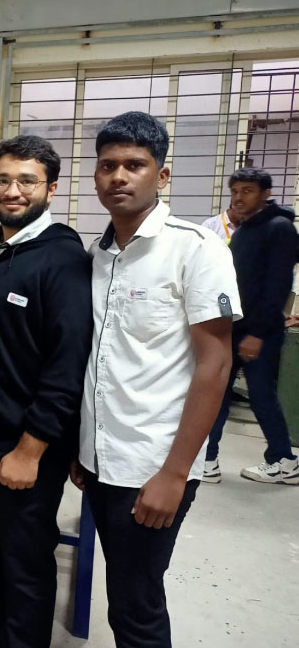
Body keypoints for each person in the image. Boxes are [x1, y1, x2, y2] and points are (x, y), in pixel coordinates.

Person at [71, 111, 240, 647]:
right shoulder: (98, 255)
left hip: (154, 466)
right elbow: (101, 358)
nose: (118, 176)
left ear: (161, 175)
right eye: (107, 166)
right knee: (124, 591)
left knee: (136, 604)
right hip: (100, 462)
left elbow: (215, 366)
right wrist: (83, 448)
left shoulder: (196, 249)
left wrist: (175, 474)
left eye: (134, 165)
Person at [0, 135, 93, 648]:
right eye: (3, 179)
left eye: (27, 181)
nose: (12, 191)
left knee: (26, 554)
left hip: (25, 442)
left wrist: (31, 449)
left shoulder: (62, 259)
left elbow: (66, 364)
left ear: (51, 189)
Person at [204, 167, 299, 484]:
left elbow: (277, 286)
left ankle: (284, 460)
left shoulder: (278, 228)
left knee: (261, 396)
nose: (238, 197)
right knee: (216, 392)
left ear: (265, 194)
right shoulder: (247, 229)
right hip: (234, 328)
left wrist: (257, 334)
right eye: (234, 191)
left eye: (247, 191)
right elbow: (235, 283)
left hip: (259, 332)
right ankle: (208, 459)